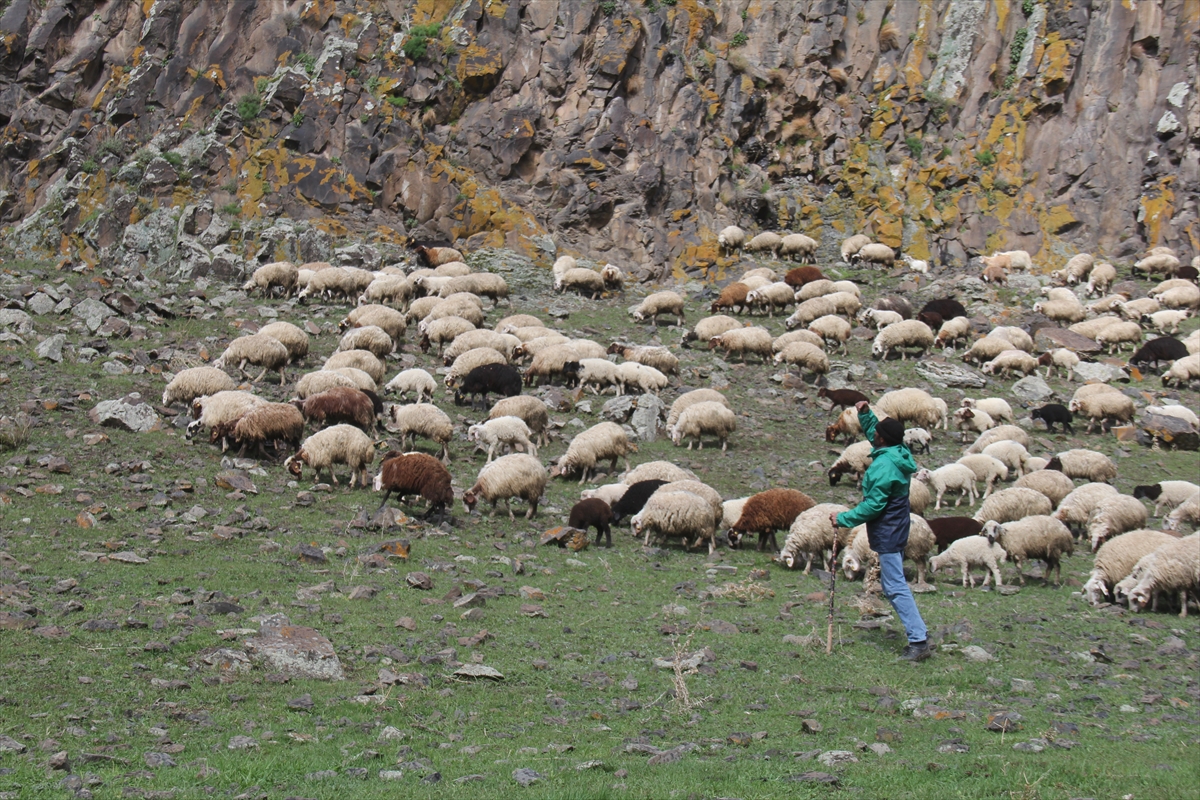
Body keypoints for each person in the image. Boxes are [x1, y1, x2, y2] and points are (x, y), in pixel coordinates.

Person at [828, 400, 931, 661]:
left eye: (876, 434)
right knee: (891, 582)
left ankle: (918, 640)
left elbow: (874, 506)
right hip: (895, 526)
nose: (872, 436)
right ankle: (919, 634)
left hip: (888, 528)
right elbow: (879, 434)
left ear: (882, 439)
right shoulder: (895, 452)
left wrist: (843, 518)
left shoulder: (884, 467)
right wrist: (865, 414)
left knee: (895, 585)